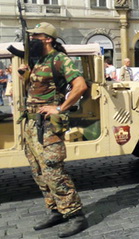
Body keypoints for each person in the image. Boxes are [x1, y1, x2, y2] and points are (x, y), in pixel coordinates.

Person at [19, 22, 89, 237]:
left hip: (47, 127)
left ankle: (76, 215)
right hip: (31, 125)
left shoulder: (59, 59)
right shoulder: (38, 59)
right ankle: (55, 210)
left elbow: (80, 86)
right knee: (38, 172)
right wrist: (25, 76)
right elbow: (37, 89)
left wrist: (60, 107)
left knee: (53, 171)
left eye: (36, 36)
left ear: (47, 38)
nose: (32, 40)